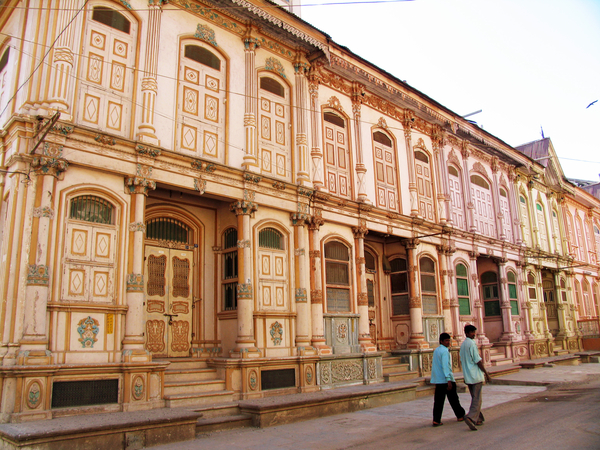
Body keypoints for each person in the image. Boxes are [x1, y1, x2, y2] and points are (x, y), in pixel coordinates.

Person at [459, 324, 491, 431]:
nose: (474, 334)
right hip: (475, 375)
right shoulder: (472, 344)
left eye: (474, 332)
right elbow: (477, 360)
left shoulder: (463, 345)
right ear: (467, 333)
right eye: (472, 332)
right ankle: (471, 417)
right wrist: (486, 373)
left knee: (475, 397)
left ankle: (478, 418)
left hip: (468, 375)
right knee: (477, 398)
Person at [430, 332, 465, 427]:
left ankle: (436, 419)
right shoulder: (445, 351)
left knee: (438, 401)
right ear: (441, 341)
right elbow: (446, 366)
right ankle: (460, 415)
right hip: (446, 380)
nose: (448, 342)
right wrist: (449, 379)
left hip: (438, 380)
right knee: (454, 399)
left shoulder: (436, 351)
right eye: (446, 341)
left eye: (449, 340)